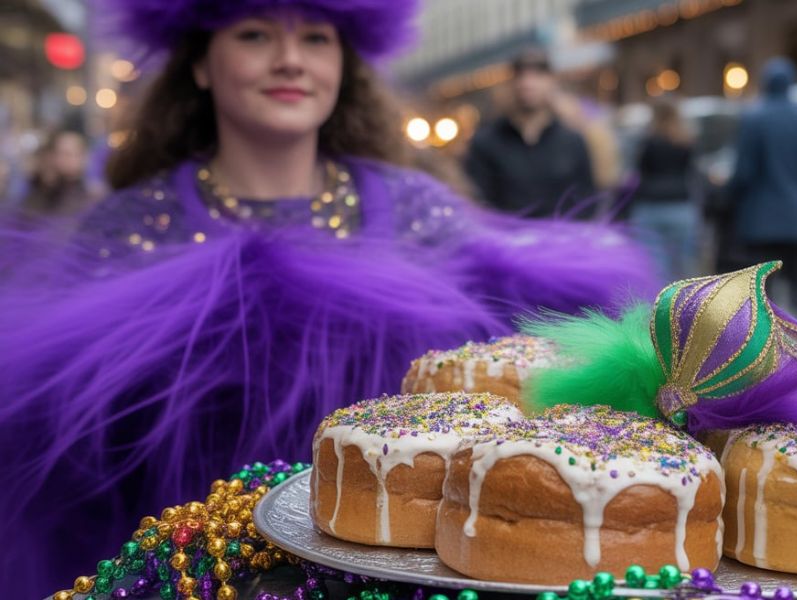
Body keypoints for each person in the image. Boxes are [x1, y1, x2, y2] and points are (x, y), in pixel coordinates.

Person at [0, 2, 655, 596]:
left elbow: (532, 375)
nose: (290, 59)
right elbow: (69, 471)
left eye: (316, 37)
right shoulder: (131, 224)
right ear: (200, 63)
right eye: (255, 33)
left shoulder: (415, 207)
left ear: (344, 62)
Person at [726, 57, 797, 320]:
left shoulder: (754, 118)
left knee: (761, 297)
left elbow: (744, 171)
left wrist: (728, 200)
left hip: (760, 218)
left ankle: (765, 355)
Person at [464, 48, 595, 217]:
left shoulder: (573, 141)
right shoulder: (485, 142)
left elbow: (587, 200)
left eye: (537, 75)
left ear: (552, 81)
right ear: (511, 83)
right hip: (505, 239)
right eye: (521, 75)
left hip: (562, 238)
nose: (527, 83)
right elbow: (476, 201)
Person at [630, 100, 699, 280]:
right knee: (682, 266)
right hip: (680, 204)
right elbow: (691, 171)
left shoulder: (647, 141)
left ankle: (658, 305)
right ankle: (682, 306)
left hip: (650, 205)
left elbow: (640, 170)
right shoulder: (686, 141)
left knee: (654, 266)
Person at [20, 128, 98, 219]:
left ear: (83, 157)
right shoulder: (42, 190)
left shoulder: (91, 196)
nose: (62, 159)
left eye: (67, 154)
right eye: (58, 154)